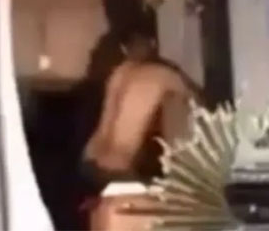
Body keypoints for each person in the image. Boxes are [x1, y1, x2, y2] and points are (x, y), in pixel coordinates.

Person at [80, 29, 202, 189]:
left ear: (126, 49)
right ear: (152, 44)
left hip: (90, 160)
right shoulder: (164, 74)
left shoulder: (120, 72)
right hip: (117, 168)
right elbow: (197, 99)